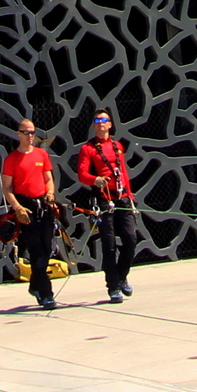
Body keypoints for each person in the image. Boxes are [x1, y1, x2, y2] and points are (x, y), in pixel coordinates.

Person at [75, 107, 137, 303]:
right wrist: (95, 180)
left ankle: (121, 276)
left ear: (110, 124)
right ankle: (113, 287)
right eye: (97, 121)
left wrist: (130, 197)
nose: (101, 123)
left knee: (130, 239)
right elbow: (82, 174)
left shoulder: (118, 146)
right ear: (94, 127)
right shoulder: (88, 149)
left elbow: (124, 172)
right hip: (104, 199)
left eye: (104, 120)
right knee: (109, 244)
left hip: (122, 198)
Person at [1, 117, 60, 309]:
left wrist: (50, 193)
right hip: (25, 206)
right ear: (19, 134)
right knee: (37, 252)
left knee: (48, 249)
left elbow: (48, 179)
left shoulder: (42, 155)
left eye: (33, 132)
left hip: (43, 204)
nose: (30, 136)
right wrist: (17, 208)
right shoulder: (12, 159)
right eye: (26, 132)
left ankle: (35, 285)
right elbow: (7, 188)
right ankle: (46, 294)